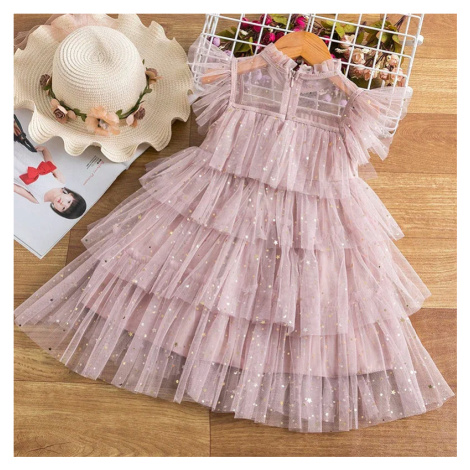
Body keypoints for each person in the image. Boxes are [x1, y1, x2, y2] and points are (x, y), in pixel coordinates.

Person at [14, 118, 86, 219]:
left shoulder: (38, 200)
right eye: (68, 201)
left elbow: (19, 190)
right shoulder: (61, 181)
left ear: (57, 210)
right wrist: (45, 150)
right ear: (71, 195)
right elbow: (50, 163)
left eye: (63, 208)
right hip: (29, 158)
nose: (63, 203)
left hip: (16, 171)